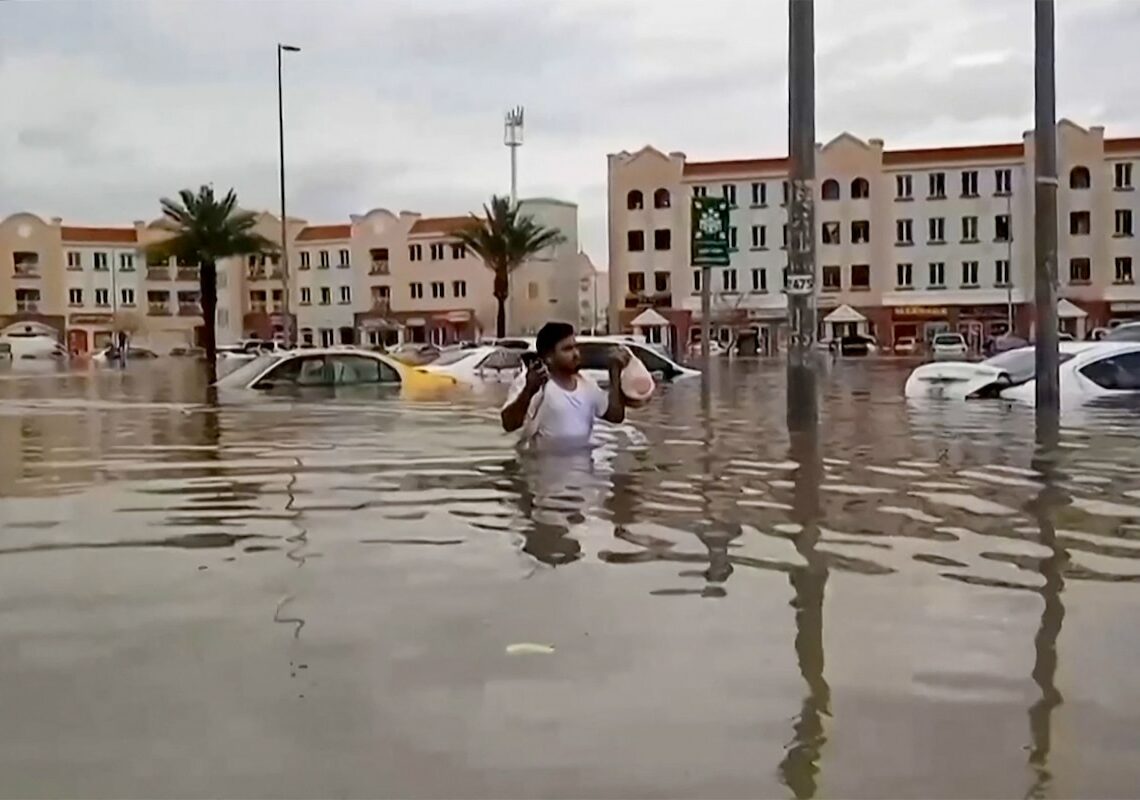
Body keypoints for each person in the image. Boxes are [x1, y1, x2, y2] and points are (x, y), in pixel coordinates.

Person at [500, 322, 630, 449]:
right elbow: (509, 424)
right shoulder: (531, 381)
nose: (576, 354)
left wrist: (615, 372)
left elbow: (616, 416)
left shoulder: (587, 383)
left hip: (582, 468)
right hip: (541, 468)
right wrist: (529, 390)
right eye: (567, 349)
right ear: (549, 357)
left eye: (575, 347)